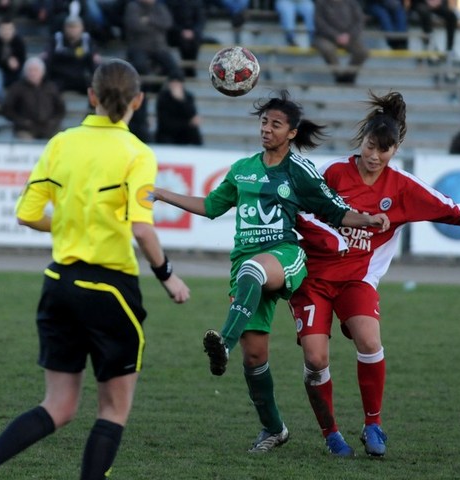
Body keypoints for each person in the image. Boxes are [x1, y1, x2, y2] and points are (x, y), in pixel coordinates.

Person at [0, 58, 191, 480]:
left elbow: (26, 214)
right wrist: (168, 275)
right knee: (113, 409)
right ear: (138, 100)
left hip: (58, 282)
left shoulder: (61, 142)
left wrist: (69, 222)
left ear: (91, 96)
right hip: (110, 289)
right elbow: (142, 229)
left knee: (57, 406)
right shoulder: (137, 153)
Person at [153, 90, 390, 453]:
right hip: (245, 263)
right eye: (264, 122)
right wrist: (162, 193)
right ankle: (273, 428)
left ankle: (224, 345)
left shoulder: (299, 171)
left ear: (292, 132)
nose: (266, 129)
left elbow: (335, 210)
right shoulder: (243, 169)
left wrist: (368, 219)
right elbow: (212, 206)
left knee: (253, 270)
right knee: (256, 357)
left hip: (284, 255)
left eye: (275, 124)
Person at [288, 91, 460, 458]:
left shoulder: (401, 185)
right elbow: (299, 209)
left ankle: (373, 424)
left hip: (357, 279)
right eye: (371, 146)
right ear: (363, 140)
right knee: (315, 360)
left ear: (395, 149)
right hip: (314, 279)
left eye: (384, 150)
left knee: (370, 342)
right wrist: (329, 235)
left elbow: (446, 208)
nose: (374, 156)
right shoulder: (334, 173)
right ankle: (331, 434)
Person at [0, 56, 66, 140]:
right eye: (30, 70)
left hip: (49, 129)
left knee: (59, 141)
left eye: (36, 70)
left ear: (42, 72)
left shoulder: (51, 88)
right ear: (25, 72)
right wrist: (22, 122)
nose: (33, 73)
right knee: (26, 144)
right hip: (25, 130)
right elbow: (7, 109)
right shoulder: (17, 88)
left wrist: (53, 122)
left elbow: (61, 109)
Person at [123, 0, 183, 92]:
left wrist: (149, 20)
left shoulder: (160, 6)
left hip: (159, 47)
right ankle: (143, 92)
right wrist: (157, 25)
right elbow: (134, 25)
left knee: (175, 70)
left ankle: (159, 90)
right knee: (140, 66)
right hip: (139, 46)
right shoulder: (133, 6)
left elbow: (168, 23)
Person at [313, 0, 369, 85]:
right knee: (328, 49)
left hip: (349, 37)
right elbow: (319, 23)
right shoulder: (321, 3)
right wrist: (336, 36)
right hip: (325, 37)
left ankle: (349, 75)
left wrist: (349, 35)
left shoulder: (352, 3)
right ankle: (339, 75)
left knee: (362, 52)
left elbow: (359, 21)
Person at [43, 15, 101, 94]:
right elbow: (47, 58)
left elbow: (94, 60)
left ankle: (94, 106)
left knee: (97, 88)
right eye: (70, 27)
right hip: (59, 77)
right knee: (48, 90)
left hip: (79, 77)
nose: (73, 30)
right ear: (64, 28)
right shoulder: (56, 39)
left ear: (82, 28)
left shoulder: (87, 40)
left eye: (76, 27)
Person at [154, 72, 203, 145]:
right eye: (173, 83)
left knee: (194, 132)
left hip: (184, 132)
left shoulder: (188, 97)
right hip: (168, 133)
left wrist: (181, 101)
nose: (175, 86)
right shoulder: (163, 97)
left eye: (178, 83)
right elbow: (164, 122)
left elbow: (193, 117)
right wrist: (188, 124)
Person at [164, 0, 206, 78]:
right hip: (175, 33)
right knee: (184, 41)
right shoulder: (171, 3)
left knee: (194, 41)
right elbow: (169, 21)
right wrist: (181, 31)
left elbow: (201, 20)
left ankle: (190, 68)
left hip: (193, 32)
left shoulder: (196, 3)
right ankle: (188, 70)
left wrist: (193, 31)